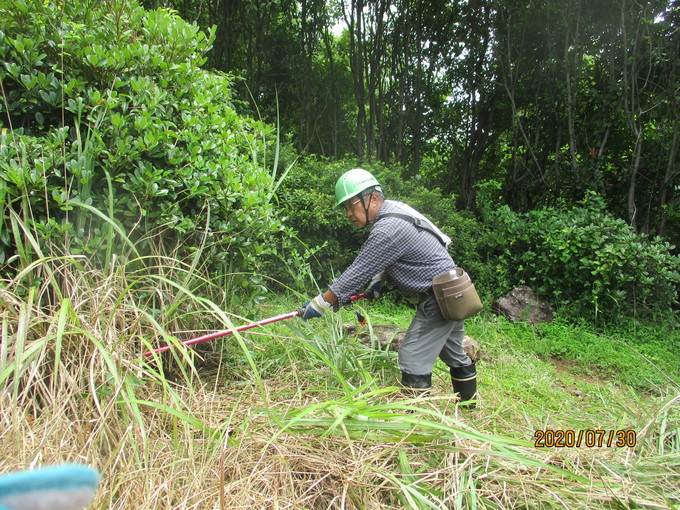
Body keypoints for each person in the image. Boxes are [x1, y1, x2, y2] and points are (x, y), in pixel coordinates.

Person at [299, 168, 477, 408]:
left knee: (411, 357)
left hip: (439, 298)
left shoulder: (388, 227)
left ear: (372, 198)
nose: (349, 214)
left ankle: (418, 428)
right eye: (345, 208)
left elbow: (357, 271)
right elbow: (405, 255)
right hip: (454, 292)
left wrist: (321, 302)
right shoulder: (396, 210)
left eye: (352, 205)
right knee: (453, 353)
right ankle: (469, 407)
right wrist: (381, 279)